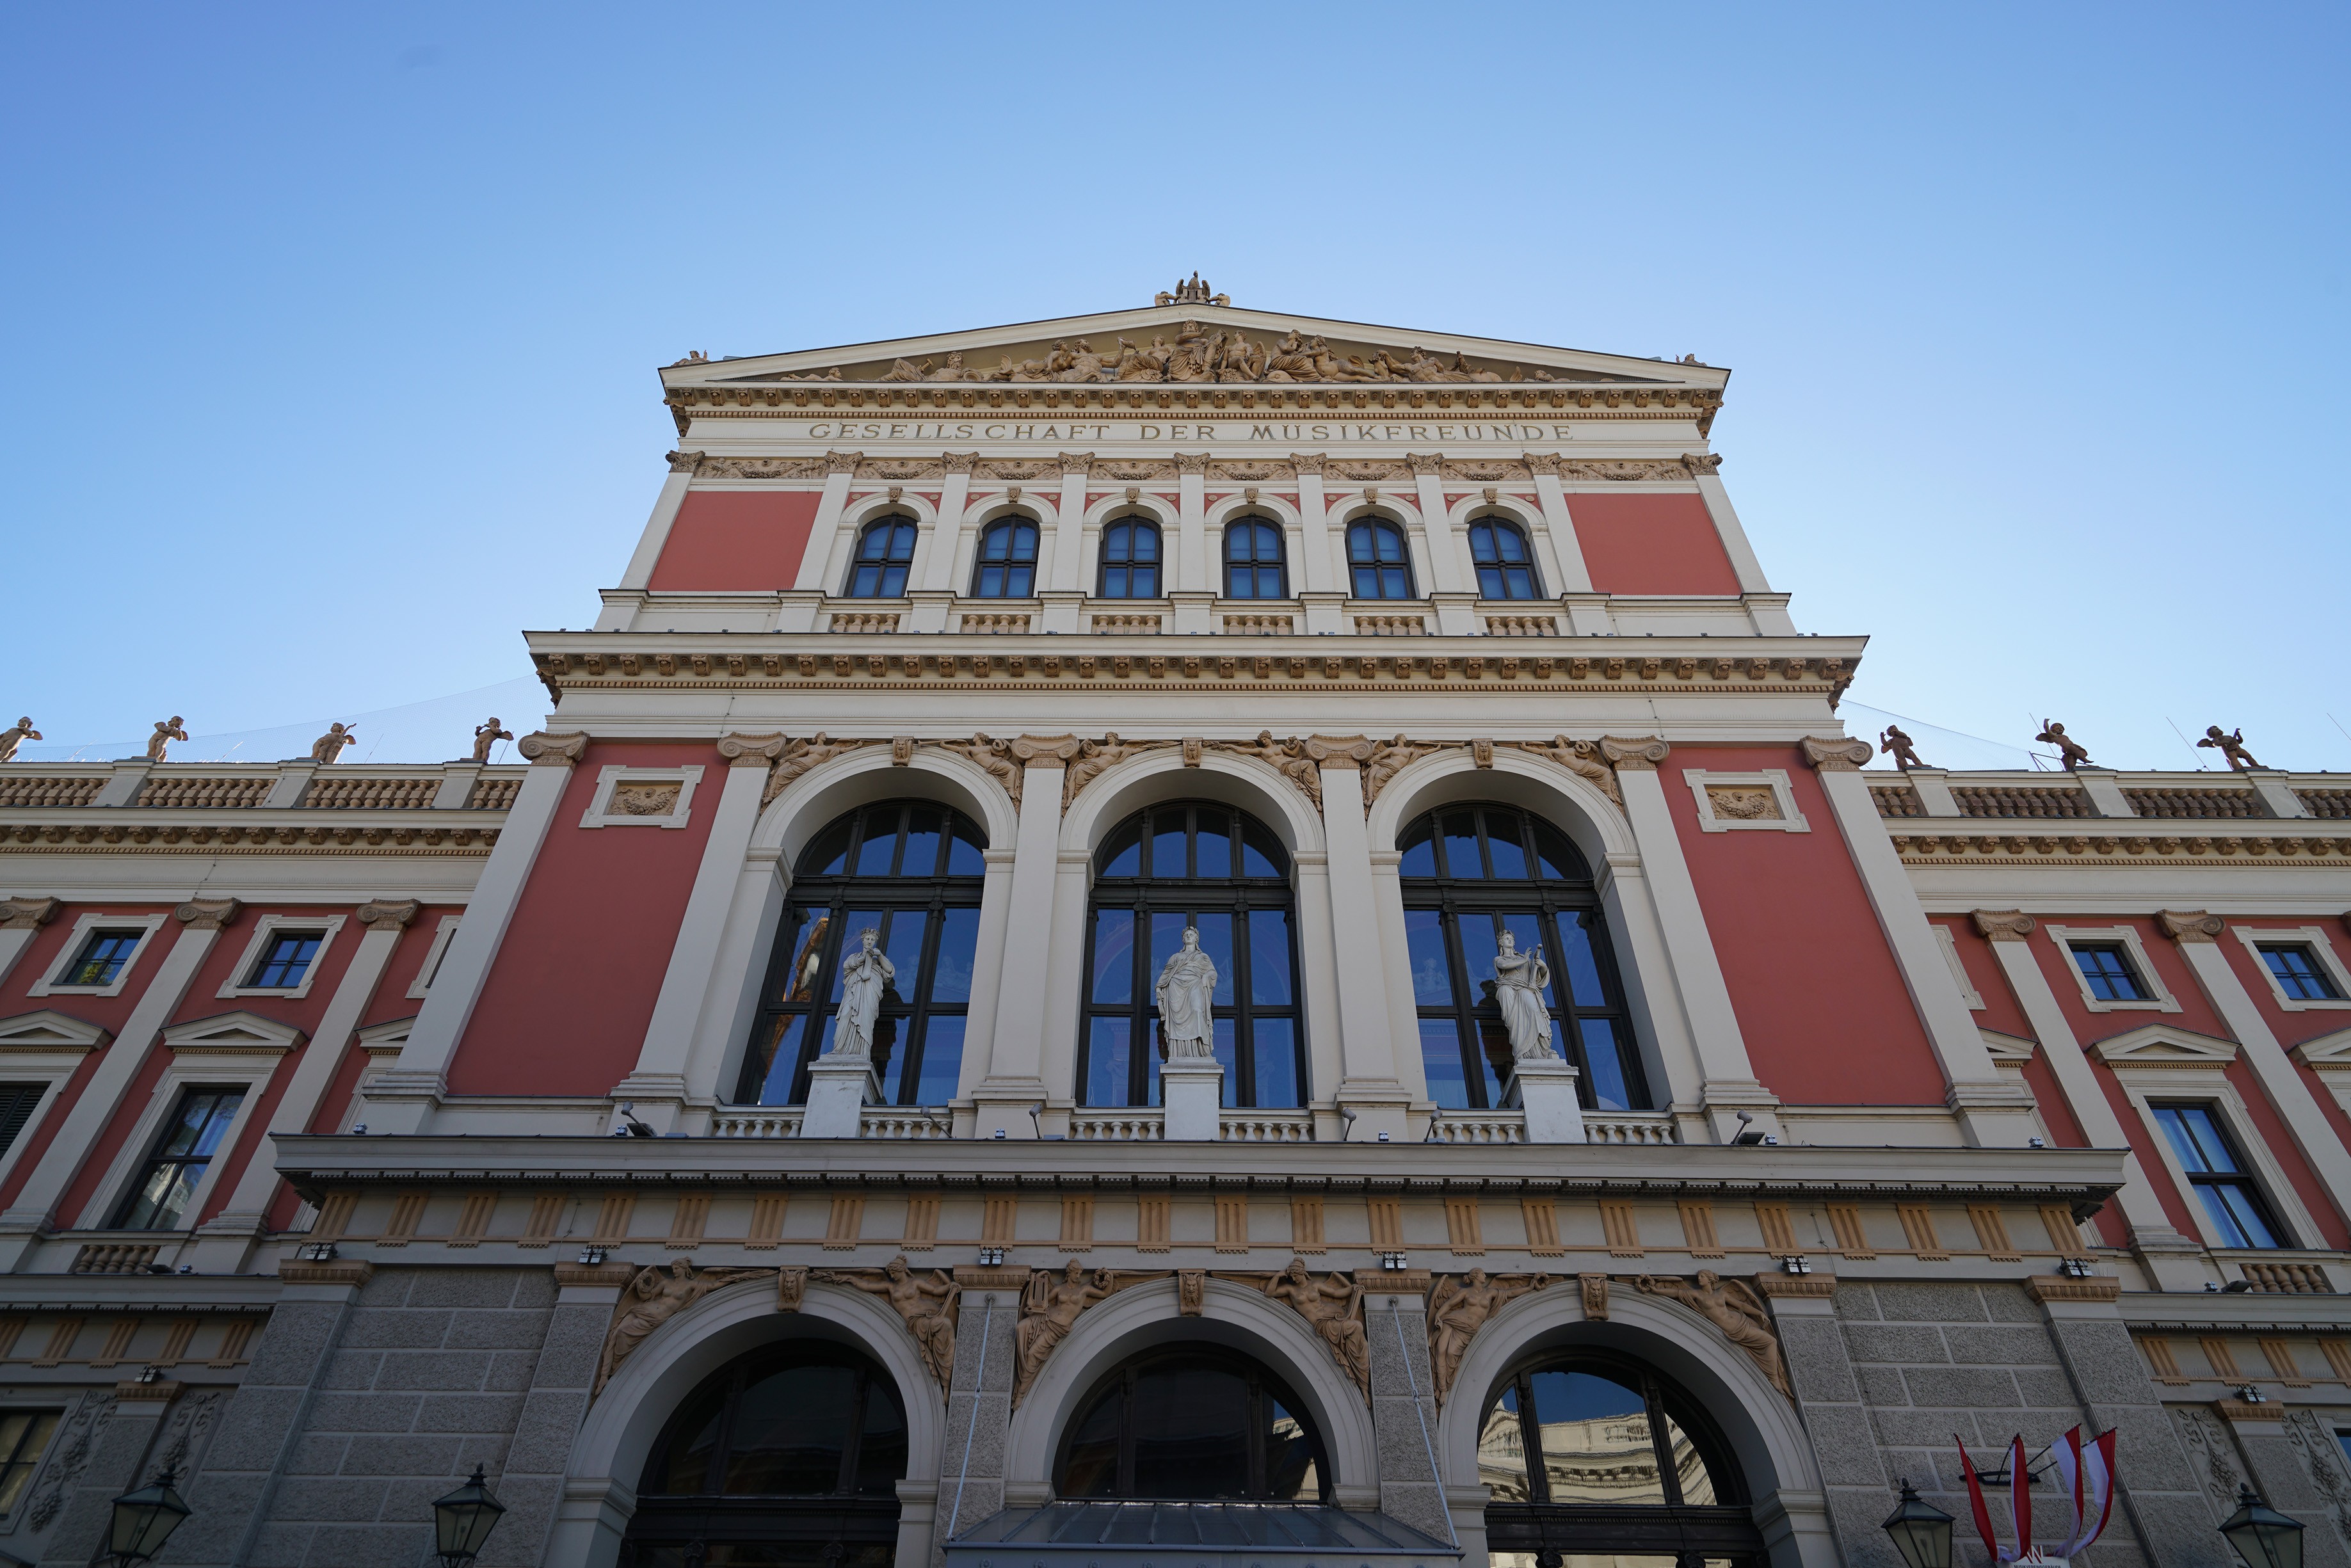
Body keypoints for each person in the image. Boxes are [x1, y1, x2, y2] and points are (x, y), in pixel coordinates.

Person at [1154, 927, 1217, 1058]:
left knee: (1197, 1010)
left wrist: (1206, 976)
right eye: (1186, 935)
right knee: (1176, 1020)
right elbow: (1166, 974)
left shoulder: (1203, 957)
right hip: (1176, 987)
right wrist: (1158, 988)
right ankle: (1179, 1052)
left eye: (1191, 935)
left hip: (1195, 984)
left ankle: (1200, 1050)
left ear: (1196, 939)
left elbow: (1213, 973)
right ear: (1183, 939)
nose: (1189, 936)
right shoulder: (1176, 957)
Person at [830, 928, 894, 1059]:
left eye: (872, 940)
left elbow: (890, 970)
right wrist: (865, 957)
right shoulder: (854, 957)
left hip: (870, 994)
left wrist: (879, 955)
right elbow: (848, 965)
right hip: (854, 992)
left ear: (875, 942)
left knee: (866, 1019)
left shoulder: (878, 962)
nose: (870, 941)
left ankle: (862, 1052)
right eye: (868, 939)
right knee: (846, 1014)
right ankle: (839, 1049)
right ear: (863, 940)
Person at [1493, 931, 1555, 1060]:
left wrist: (1542, 965)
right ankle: (1522, 1050)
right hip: (1509, 990)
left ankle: (1544, 1049)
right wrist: (1525, 960)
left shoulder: (1523, 958)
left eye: (1511, 938)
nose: (1510, 940)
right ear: (1501, 943)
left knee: (1534, 1010)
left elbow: (1538, 976)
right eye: (1507, 938)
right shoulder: (1500, 959)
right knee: (1515, 1022)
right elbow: (1504, 965)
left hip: (1524, 989)